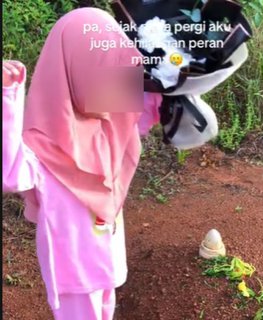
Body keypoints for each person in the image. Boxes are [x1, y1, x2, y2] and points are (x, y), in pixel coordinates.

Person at [2, 8, 163, 319]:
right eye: (101, 70)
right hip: (74, 270)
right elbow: (11, 175)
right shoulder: (44, 143)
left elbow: (145, 108)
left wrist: (173, 79)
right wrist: (8, 97)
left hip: (109, 256)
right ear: (69, 69)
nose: (113, 81)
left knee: (107, 308)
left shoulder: (110, 124)